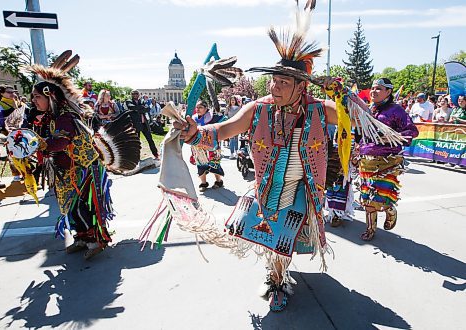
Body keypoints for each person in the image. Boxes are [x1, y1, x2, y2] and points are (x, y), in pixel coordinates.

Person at [174, 2, 402, 312]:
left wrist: (340, 93)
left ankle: (279, 275)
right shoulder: (258, 109)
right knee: (273, 239)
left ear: (301, 86)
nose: (274, 86)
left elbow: (358, 118)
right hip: (268, 187)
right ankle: (277, 280)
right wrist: (194, 133)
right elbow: (222, 130)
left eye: (283, 82)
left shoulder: (320, 110)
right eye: (273, 80)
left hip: (303, 189)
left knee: (286, 240)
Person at [28, 57, 114, 260]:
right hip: (67, 171)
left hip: (83, 170)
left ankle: (95, 240)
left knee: (82, 207)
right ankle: (82, 238)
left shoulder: (65, 118)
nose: (34, 101)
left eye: (37, 97)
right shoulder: (51, 117)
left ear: (51, 98)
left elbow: (59, 143)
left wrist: (35, 144)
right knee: (71, 207)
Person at [358, 78, 418, 241]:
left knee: (382, 197)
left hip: (387, 161)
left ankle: (390, 210)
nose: (373, 91)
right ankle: (370, 229)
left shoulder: (396, 110)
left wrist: (391, 138)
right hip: (366, 160)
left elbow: (411, 131)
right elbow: (361, 134)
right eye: (372, 88)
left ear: (388, 92)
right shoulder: (369, 110)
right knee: (367, 198)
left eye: (378, 88)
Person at [0, 84, 27, 182]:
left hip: (21, 130)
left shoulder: (18, 102)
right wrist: (16, 108)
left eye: (13, 92)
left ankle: (26, 171)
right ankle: (16, 173)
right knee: (12, 152)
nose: (12, 94)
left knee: (24, 150)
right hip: (8, 131)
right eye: (8, 92)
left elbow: (27, 113)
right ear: (1, 93)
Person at [190, 100, 225, 191]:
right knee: (200, 164)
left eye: (200, 107)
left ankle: (218, 181)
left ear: (206, 108)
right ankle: (203, 183)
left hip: (211, 145)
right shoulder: (193, 118)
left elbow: (224, 121)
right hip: (198, 147)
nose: (197, 109)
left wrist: (219, 114)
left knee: (214, 163)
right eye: (197, 107)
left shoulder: (213, 117)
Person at [123, 90, 159, 159]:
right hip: (136, 124)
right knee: (136, 142)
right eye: (133, 94)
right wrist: (142, 108)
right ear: (131, 95)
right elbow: (132, 107)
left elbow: (147, 109)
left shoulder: (142, 101)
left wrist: (138, 109)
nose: (135, 95)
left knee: (150, 139)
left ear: (139, 95)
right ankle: (137, 157)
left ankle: (155, 154)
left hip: (144, 123)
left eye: (136, 94)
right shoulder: (129, 101)